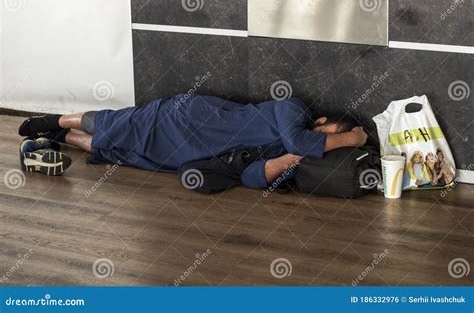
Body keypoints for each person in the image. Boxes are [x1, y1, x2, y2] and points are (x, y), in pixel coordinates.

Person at [18, 94, 367, 188]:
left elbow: (251, 177)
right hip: (188, 118)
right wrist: (353, 137)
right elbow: (301, 139)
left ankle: (62, 136)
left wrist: (291, 160)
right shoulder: (293, 110)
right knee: (121, 124)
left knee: (118, 151)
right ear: (320, 120)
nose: (324, 143)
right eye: (331, 135)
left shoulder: (293, 149)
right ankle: (53, 120)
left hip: (191, 154)